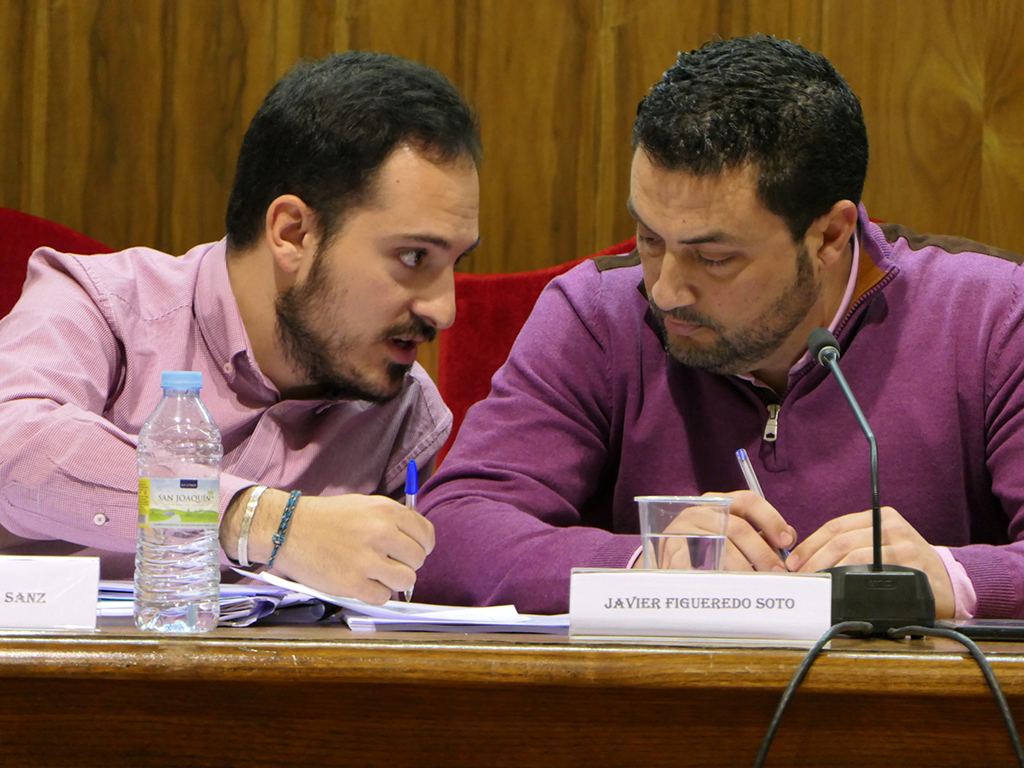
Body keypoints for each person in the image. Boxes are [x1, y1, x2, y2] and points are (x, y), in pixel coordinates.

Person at [416, 35, 1024, 620]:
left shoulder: (991, 317)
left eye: (714, 259)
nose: (665, 290)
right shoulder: (598, 315)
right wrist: (642, 566)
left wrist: (953, 575)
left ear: (830, 237)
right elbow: (452, 529)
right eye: (650, 239)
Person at [0, 52, 481, 604]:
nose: (443, 311)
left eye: (455, 262)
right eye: (414, 256)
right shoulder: (104, 304)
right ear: (293, 233)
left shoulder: (405, 413)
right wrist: (262, 521)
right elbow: (13, 446)